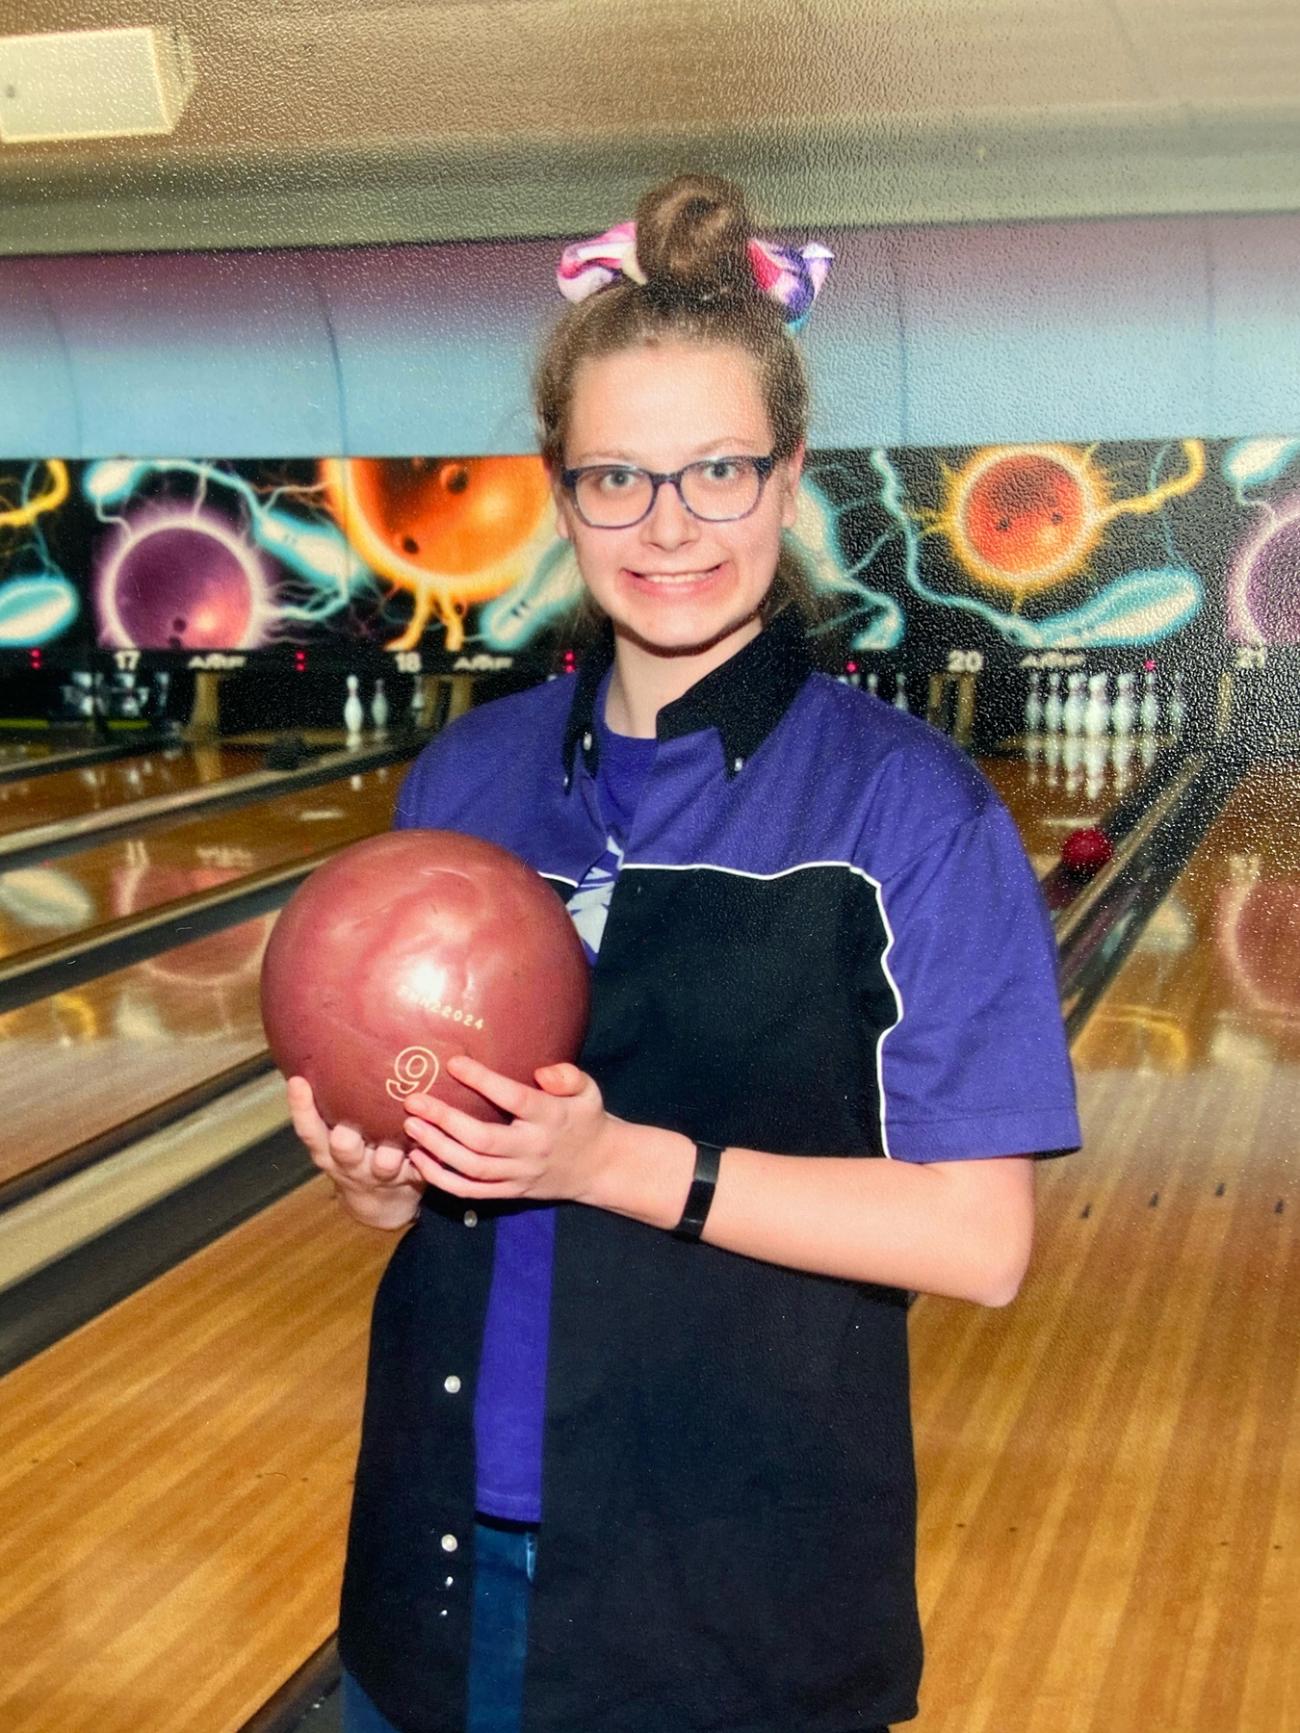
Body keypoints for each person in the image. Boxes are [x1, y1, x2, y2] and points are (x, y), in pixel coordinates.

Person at [287, 173, 1081, 1733]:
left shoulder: (909, 813)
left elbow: (983, 1242)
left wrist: (616, 1160)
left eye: (718, 470)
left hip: (727, 1626)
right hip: (429, 1594)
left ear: (788, 480)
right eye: (618, 478)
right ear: (559, 490)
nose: (669, 527)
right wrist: (387, 1183)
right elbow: (454, 1181)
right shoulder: (465, 783)